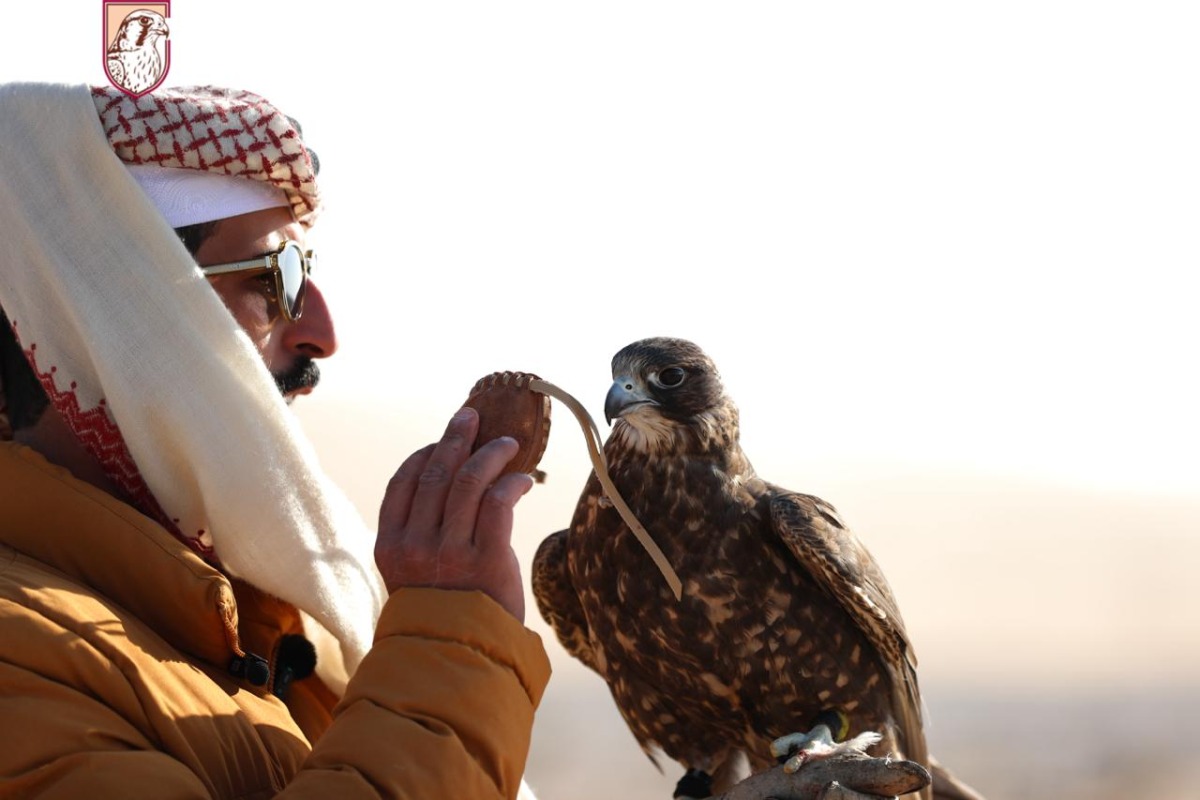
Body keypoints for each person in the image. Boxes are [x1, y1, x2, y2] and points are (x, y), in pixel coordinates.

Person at [0, 82, 547, 799]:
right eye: (275, 278)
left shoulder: (270, 619)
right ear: (103, 321)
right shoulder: (21, 656)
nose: (322, 331)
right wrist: (448, 655)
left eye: (304, 271)